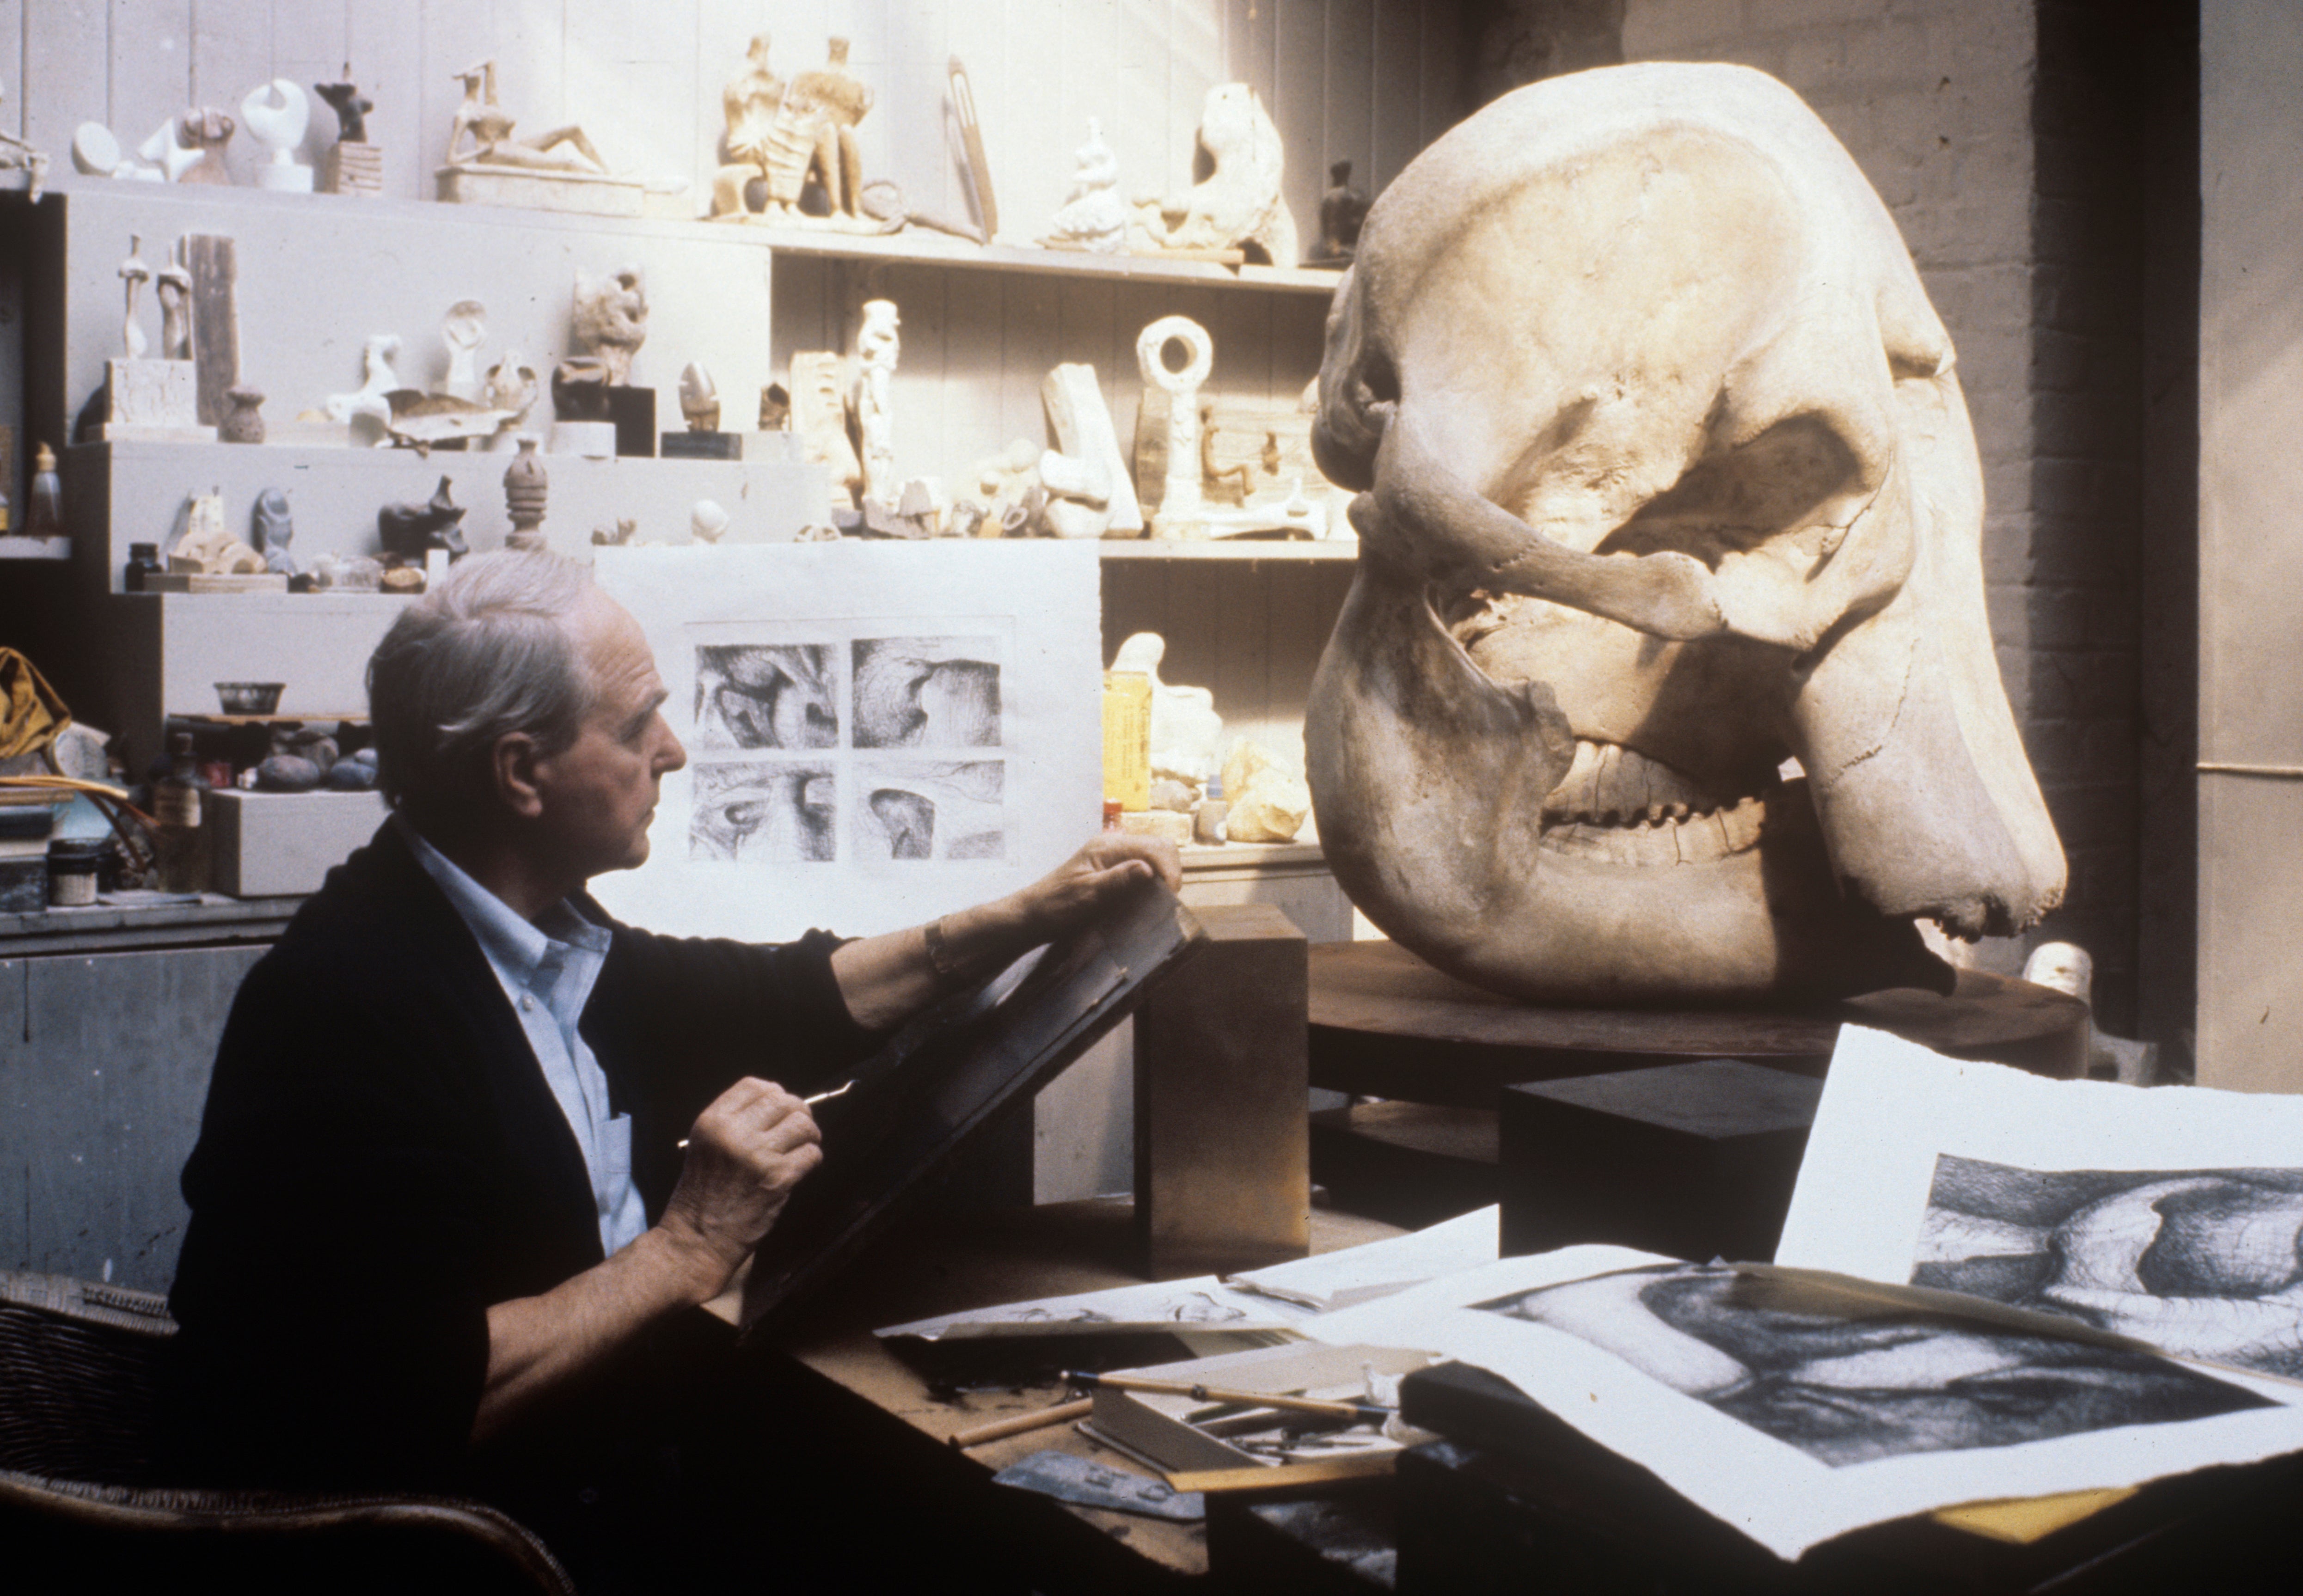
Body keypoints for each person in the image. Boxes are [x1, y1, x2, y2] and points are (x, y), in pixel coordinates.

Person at [163, 550, 1176, 1587]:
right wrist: (686, 1247)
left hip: (608, 1473)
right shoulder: (350, 1006)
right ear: (522, 772)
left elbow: (784, 997)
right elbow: (403, 1399)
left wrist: (1024, 914)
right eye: (638, 723)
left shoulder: (529, 933)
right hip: (485, 1548)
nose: (677, 750)